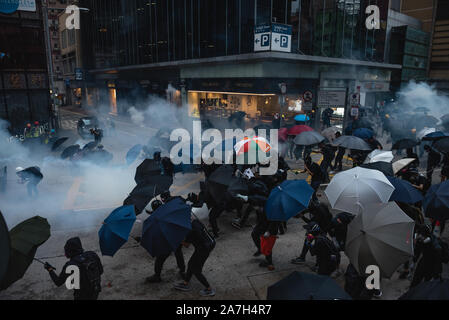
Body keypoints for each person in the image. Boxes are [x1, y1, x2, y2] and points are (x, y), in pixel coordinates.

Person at [145, 198, 187, 283]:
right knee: (178, 254)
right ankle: (182, 271)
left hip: (166, 242)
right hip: (176, 238)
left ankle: (157, 276)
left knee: (160, 259)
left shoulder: (154, 219)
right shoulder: (170, 211)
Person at [174, 217, 216, 297]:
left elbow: (186, 245)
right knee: (191, 264)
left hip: (203, 249)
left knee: (196, 270)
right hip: (210, 242)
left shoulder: (190, 232)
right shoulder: (196, 221)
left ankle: (209, 289)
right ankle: (185, 283)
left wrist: (179, 239)